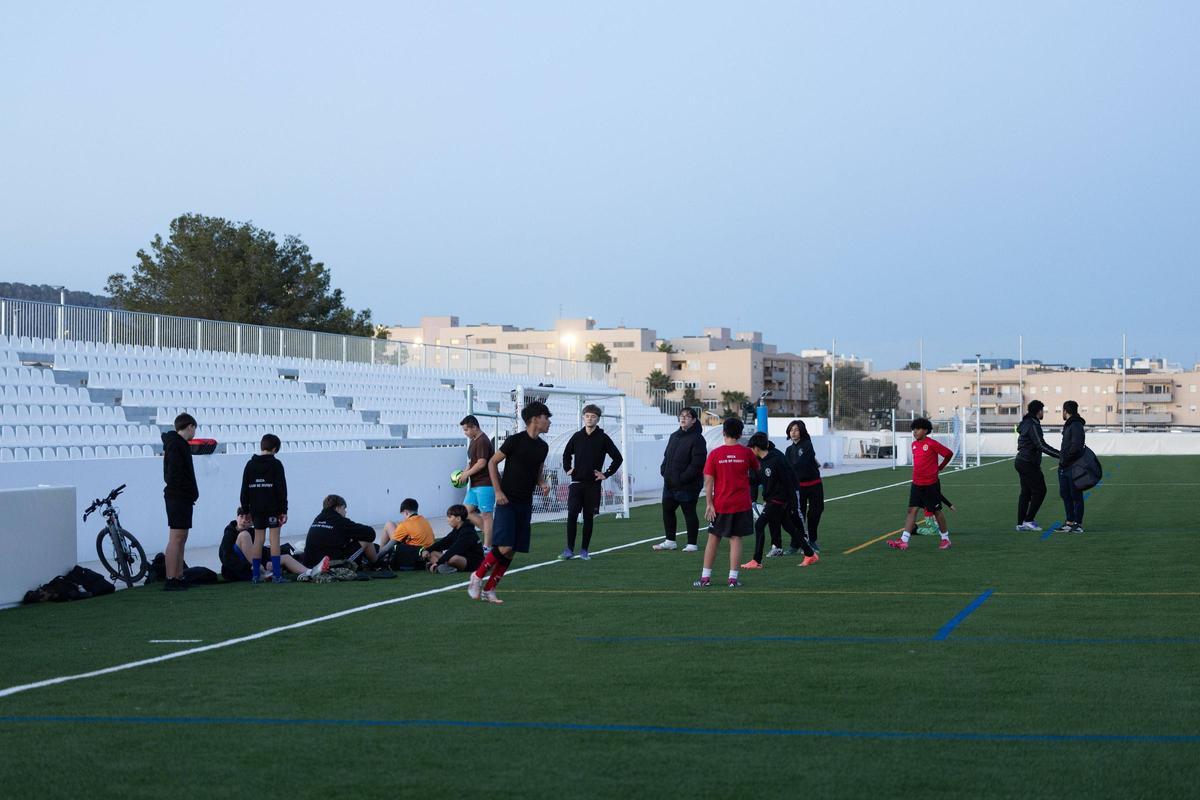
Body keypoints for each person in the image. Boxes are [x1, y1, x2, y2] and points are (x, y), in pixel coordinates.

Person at [467, 401, 552, 604]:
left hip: (526, 502)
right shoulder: (515, 440)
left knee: (512, 550)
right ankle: (477, 576)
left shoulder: (543, 446)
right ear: (535, 419)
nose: (549, 422)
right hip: (507, 500)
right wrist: (498, 491)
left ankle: (490, 589)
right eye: (546, 417)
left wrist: (541, 482)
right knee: (505, 546)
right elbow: (492, 462)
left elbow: (538, 470)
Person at [695, 417, 759, 588]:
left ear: (723, 433)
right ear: (740, 434)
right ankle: (733, 579)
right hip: (741, 503)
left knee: (713, 538)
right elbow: (756, 469)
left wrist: (709, 504)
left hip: (721, 504)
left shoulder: (715, 454)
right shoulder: (747, 453)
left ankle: (705, 578)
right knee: (736, 538)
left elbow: (708, 481)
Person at [743, 432, 818, 569]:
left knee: (759, 525)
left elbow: (788, 481)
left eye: (751, 448)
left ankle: (756, 561)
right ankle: (810, 553)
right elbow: (753, 481)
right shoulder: (757, 462)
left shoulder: (777, 459)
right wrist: (752, 499)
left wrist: (792, 503)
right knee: (789, 527)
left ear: (756, 448)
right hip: (771, 499)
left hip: (778, 499)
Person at [559, 404, 623, 560]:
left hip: (593, 485)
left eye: (593, 416)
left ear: (598, 419)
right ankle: (569, 549)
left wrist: (606, 474)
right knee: (572, 514)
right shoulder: (577, 436)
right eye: (587, 416)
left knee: (588, 517)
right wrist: (568, 469)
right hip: (576, 484)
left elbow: (618, 458)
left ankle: (584, 550)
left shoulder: (603, 438)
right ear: (583, 418)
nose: (590, 419)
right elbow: (566, 454)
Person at [888, 418, 955, 551]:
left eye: (917, 429)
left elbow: (948, 454)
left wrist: (940, 467)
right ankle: (904, 541)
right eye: (913, 429)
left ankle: (945, 539)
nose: (915, 432)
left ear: (925, 430)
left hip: (930, 484)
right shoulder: (914, 445)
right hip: (916, 483)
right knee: (912, 510)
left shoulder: (932, 443)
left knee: (936, 511)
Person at [652, 407, 708, 552]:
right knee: (667, 510)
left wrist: (682, 478)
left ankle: (692, 544)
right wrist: (664, 471)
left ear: (694, 420)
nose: (683, 418)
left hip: (688, 485)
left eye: (687, 416)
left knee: (689, 512)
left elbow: (697, 464)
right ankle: (670, 541)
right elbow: (667, 456)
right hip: (670, 483)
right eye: (681, 416)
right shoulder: (674, 436)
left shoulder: (698, 439)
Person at [219, 507, 327, 581]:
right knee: (244, 535)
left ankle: (310, 572)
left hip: (257, 568)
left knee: (285, 557)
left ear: (252, 522)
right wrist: (249, 567)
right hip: (238, 571)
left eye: (248, 519)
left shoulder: (253, 532)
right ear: (237, 517)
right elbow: (225, 556)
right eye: (241, 516)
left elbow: (260, 551)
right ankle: (260, 570)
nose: (243, 520)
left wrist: (266, 562)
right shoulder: (230, 532)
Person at [240, 433, 288, 583]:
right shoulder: (276, 464)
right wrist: (283, 510)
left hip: (256, 509)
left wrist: (246, 510)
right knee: (274, 540)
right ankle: (277, 575)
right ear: (275, 449)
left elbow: (244, 489)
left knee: (258, 540)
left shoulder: (250, 464)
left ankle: (255, 575)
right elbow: (281, 489)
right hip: (273, 508)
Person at [162, 412, 199, 592]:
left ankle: (178, 575)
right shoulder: (176, 445)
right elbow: (174, 474)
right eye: (194, 428)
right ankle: (171, 577)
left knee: (181, 537)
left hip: (182, 496)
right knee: (176, 538)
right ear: (190, 426)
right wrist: (185, 490)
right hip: (178, 496)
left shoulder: (178, 444)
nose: (195, 433)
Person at [1014, 399, 1060, 531]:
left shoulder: (1026, 423)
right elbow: (1041, 445)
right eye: (1042, 410)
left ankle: (1021, 524)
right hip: (1028, 463)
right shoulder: (1033, 425)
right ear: (1038, 411)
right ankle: (1028, 520)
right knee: (1040, 491)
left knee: (1026, 492)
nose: (1043, 413)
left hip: (1021, 461)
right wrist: (1060, 455)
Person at [302, 495, 379, 568]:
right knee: (366, 541)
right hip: (330, 566)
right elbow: (371, 534)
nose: (345, 512)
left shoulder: (318, 519)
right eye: (344, 508)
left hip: (308, 565)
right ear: (338, 508)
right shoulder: (339, 521)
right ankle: (376, 564)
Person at [784, 419, 824, 554]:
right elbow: (787, 469)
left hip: (814, 485)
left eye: (796, 430)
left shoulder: (807, 445)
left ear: (801, 431)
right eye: (791, 430)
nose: (793, 432)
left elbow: (801, 463)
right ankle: (796, 544)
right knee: (797, 515)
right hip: (798, 487)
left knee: (815, 513)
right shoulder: (789, 450)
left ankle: (812, 541)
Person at [459, 415, 496, 550]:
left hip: (486, 483)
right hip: (475, 484)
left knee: (486, 515)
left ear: (474, 427)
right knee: (464, 513)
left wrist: (467, 474)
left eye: (466, 430)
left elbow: (481, 463)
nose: (465, 433)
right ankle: (493, 536)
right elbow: (472, 462)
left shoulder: (482, 441)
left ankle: (488, 545)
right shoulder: (474, 440)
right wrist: (463, 474)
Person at [424, 504, 486, 574]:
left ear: (458, 519)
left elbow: (454, 549)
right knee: (432, 553)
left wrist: (438, 562)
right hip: (460, 557)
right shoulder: (457, 529)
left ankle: (441, 567)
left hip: (474, 562)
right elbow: (444, 542)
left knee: (453, 558)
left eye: (450, 517)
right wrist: (427, 550)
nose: (447, 520)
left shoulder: (468, 532)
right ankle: (443, 567)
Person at [377, 498, 435, 566]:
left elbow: (387, 548)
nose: (403, 517)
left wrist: (374, 559)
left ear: (406, 512)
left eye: (403, 515)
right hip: (427, 553)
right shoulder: (424, 520)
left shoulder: (405, 524)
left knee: (389, 524)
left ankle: (378, 559)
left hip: (414, 556)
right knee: (395, 527)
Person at [1058, 400, 1087, 533]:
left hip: (1074, 466)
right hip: (1065, 466)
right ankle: (1069, 522)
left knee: (1076, 495)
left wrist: (1066, 460)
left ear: (1065, 411)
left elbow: (1076, 446)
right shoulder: (1069, 424)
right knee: (1065, 494)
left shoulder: (1075, 425)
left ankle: (1077, 524)